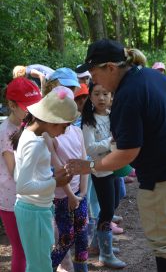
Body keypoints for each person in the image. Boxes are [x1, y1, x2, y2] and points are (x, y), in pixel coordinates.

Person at [67, 39, 166, 272]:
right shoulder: (153, 76)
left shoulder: (128, 95)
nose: (93, 80)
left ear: (111, 67)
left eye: (93, 73)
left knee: (165, 244)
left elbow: (127, 154)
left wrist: (88, 166)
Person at [12, 88, 78, 272]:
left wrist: (53, 179)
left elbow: (20, 176)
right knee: (40, 267)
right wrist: (55, 182)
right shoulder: (35, 143)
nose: (64, 132)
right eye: (65, 126)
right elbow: (22, 186)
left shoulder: (30, 134)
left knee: (39, 263)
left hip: (35, 210)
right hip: (34, 211)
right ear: (53, 121)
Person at [80, 82, 126, 269]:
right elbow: (89, 148)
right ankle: (106, 255)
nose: (101, 98)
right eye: (97, 94)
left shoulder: (112, 116)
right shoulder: (88, 122)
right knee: (106, 211)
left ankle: (97, 244)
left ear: (111, 97)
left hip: (115, 166)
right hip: (100, 170)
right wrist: (110, 141)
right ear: (90, 97)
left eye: (105, 94)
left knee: (115, 201)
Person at [42, 87, 89, 272]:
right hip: (62, 196)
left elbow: (84, 163)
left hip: (79, 193)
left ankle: (81, 269)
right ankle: (49, 266)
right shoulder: (50, 135)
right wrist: (70, 195)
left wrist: (82, 193)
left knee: (82, 236)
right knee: (66, 237)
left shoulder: (77, 132)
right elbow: (59, 168)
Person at [0, 77, 42, 272]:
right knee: (21, 250)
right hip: (11, 201)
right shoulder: (5, 132)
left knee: (32, 248)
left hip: (28, 196)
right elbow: (15, 172)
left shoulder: (27, 125)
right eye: (27, 106)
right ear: (11, 105)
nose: (32, 111)